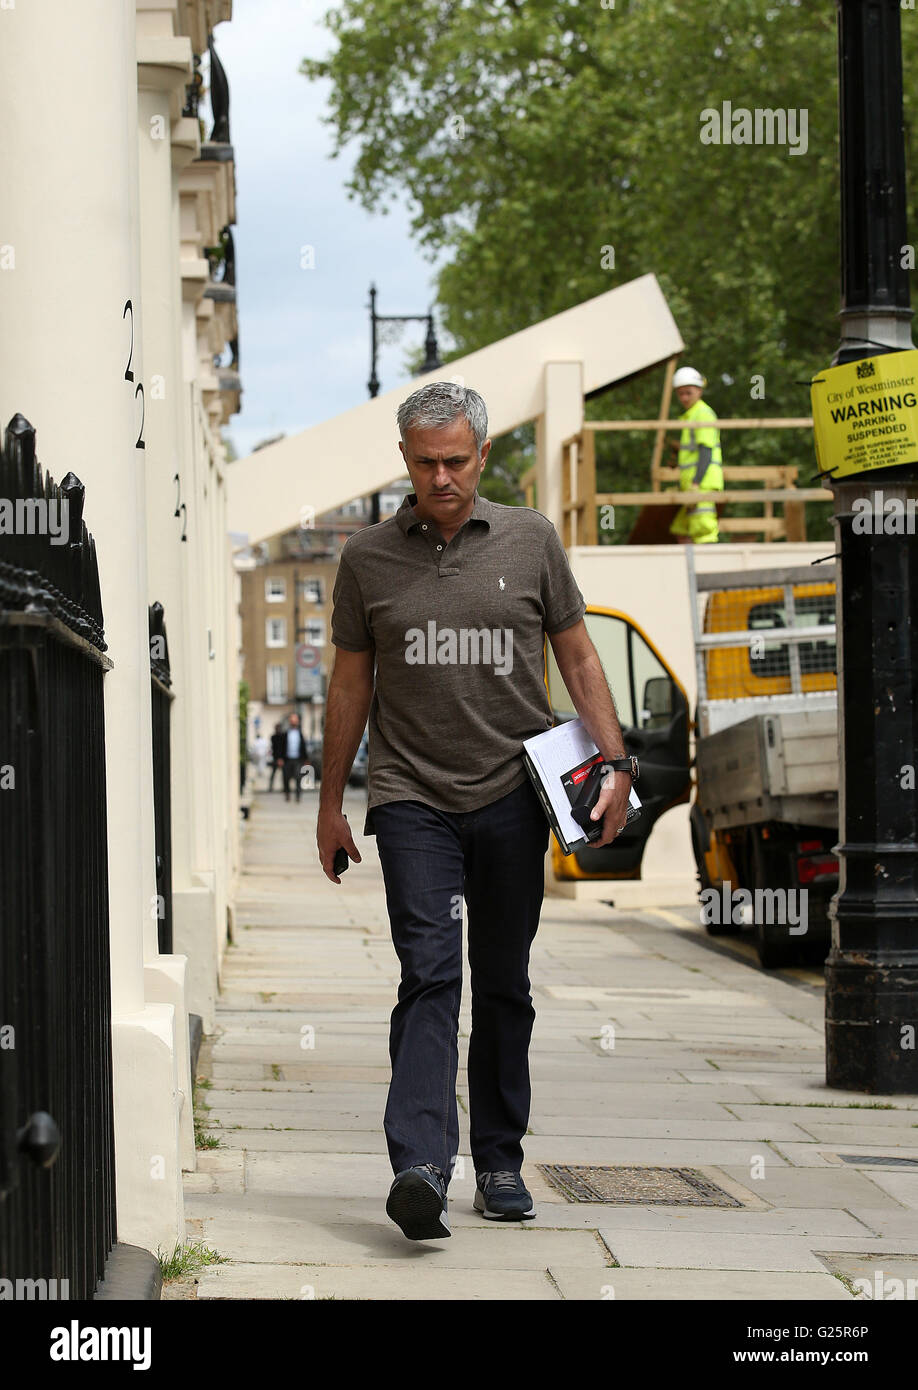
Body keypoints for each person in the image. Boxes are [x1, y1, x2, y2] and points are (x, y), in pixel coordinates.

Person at [316, 381, 635, 1242]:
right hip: (411, 797)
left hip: (511, 796)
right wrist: (329, 802)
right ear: (405, 461)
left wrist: (616, 764)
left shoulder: (529, 539)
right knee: (428, 973)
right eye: (426, 463)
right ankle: (420, 1163)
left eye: (457, 460)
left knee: (503, 983)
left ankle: (498, 1160)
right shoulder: (368, 558)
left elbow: (577, 653)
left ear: (482, 455)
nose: (442, 476)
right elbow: (350, 682)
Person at [667, 366, 723, 544]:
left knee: (703, 530)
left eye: (688, 393)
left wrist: (696, 482)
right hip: (692, 485)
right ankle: (691, 570)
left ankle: (708, 568)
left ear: (699, 390)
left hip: (702, 485)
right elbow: (693, 452)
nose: (684, 397)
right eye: (680, 393)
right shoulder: (690, 416)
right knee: (680, 529)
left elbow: (706, 451)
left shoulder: (703, 414)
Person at [282, 714, 308, 802]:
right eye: (292, 720)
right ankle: (287, 794)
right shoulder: (285, 734)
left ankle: (298, 795)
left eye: (295, 720)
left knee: (298, 777)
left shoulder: (300, 734)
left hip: (298, 760)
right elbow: (281, 747)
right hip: (287, 759)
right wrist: (280, 758)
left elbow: (303, 747)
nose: (293, 722)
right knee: (286, 777)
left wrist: (306, 759)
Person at [268, 722, 285, 792]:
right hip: (276, 757)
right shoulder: (273, 737)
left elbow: (282, 748)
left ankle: (284, 787)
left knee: (284, 774)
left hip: (281, 757)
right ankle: (271, 787)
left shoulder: (282, 736)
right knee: (274, 773)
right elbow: (274, 748)